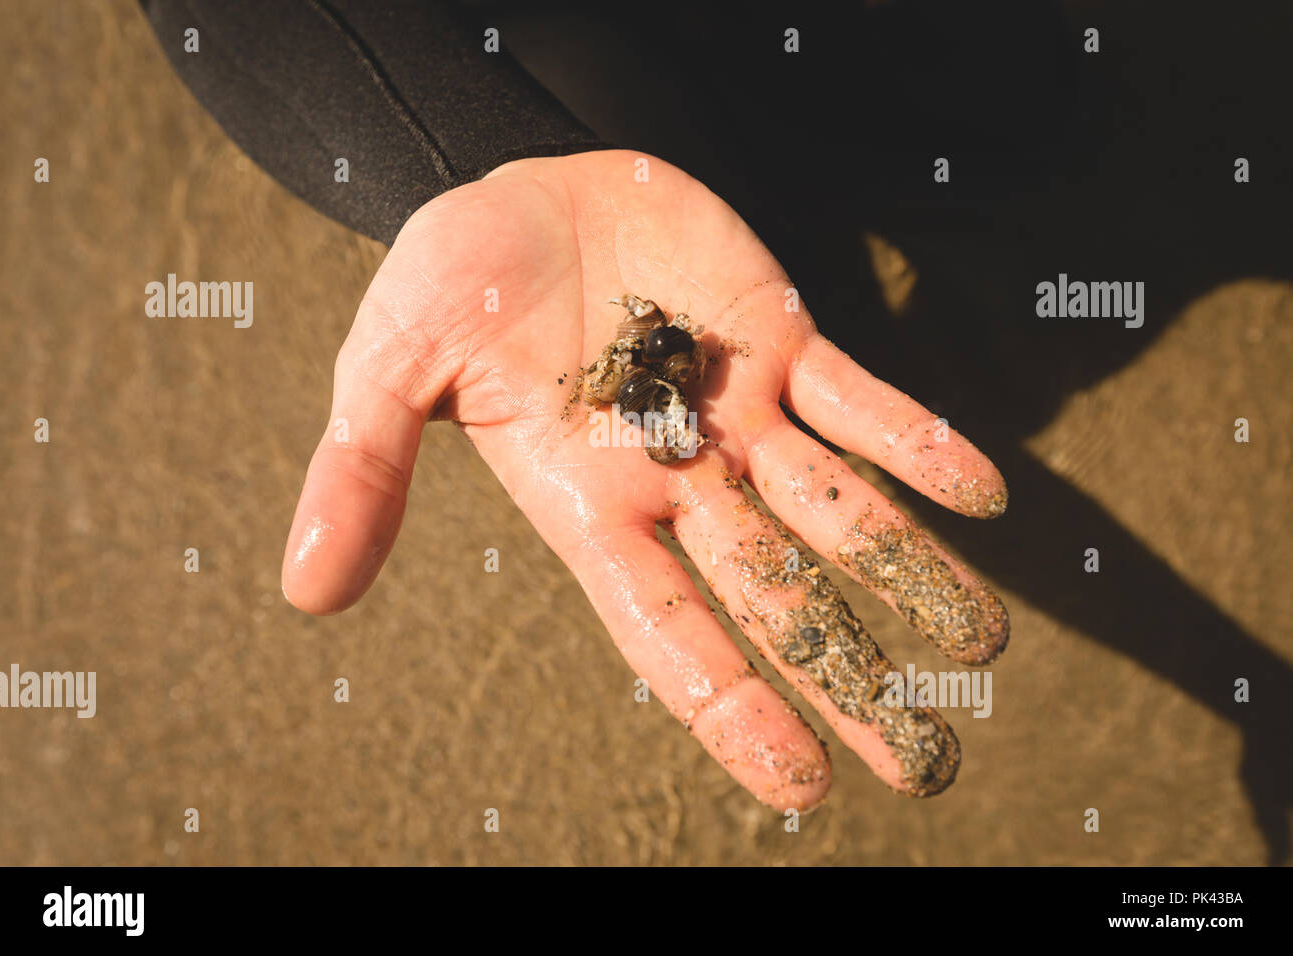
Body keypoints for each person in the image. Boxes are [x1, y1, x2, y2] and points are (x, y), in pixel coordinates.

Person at [141, 0, 1010, 811]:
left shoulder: (667, 370)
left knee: (1024, 118)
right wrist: (470, 159)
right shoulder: (649, 381)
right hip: (498, 58)